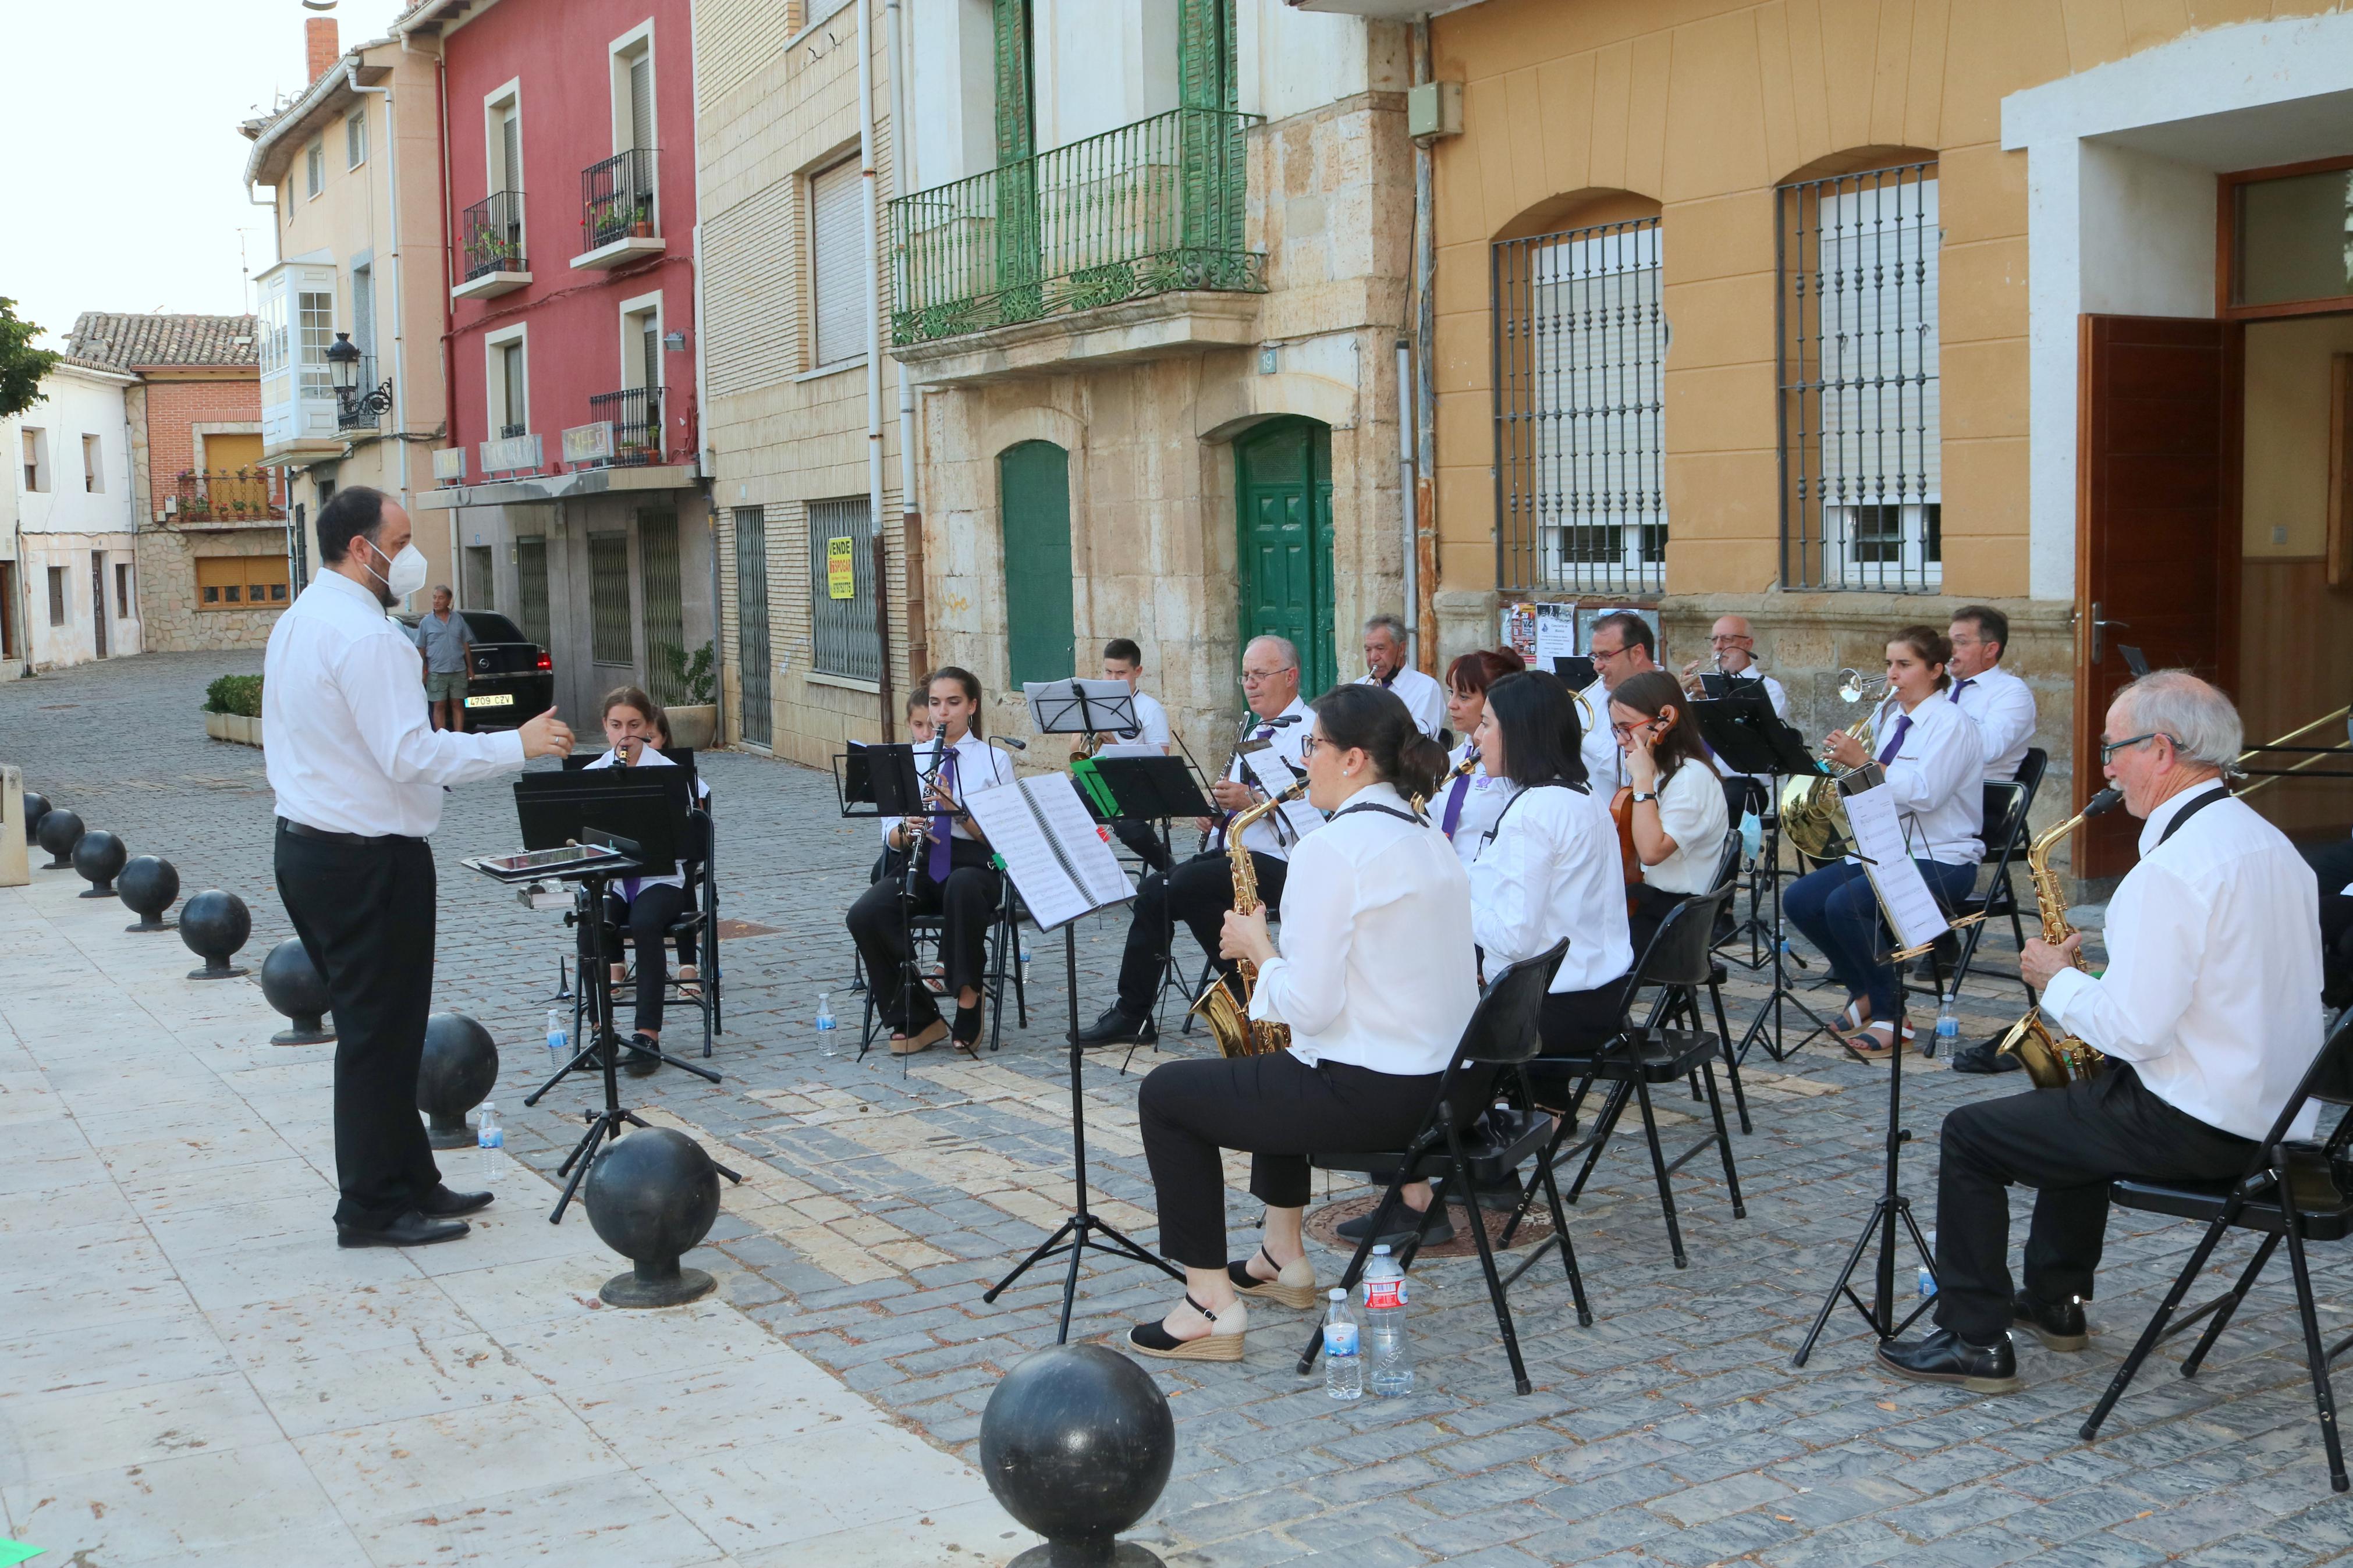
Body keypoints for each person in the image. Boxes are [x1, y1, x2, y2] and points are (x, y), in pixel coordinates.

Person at [1877, 671, 2326, 1393]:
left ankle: (1972, 1338)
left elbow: (2133, 1031)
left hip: (2203, 1123)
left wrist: (2053, 978)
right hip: (2276, 1116)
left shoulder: (2171, 868)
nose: (2107, 769)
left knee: (1970, 1134)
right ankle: (2055, 1301)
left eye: (2113, 750)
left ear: (2160, 749)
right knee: (2081, 1096)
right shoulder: (2270, 844)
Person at [1123, 685, 1472, 1361]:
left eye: (1312, 746)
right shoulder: (1426, 835)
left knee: (1164, 1095)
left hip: (1375, 1096)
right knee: (1272, 1060)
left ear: (1352, 759)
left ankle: (1205, 1304)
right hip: (1442, 1088)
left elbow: (1308, 1007)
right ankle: (1281, 1257)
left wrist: (1259, 948)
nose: (1302, 760)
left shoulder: (1332, 849)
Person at [265, 486, 573, 1249]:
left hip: (309, 847)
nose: (411, 553)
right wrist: (516, 742)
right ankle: (369, 1206)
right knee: (377, 1034)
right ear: (362, 549)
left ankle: (411, 1177)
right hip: (365, 860)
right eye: (400, 540)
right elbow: (410, 753)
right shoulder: (367, 638)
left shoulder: (302, 618)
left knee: (389, 1029)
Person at [1360, 669, 1638, 1247]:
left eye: (1485, 724)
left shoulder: (1535, 813)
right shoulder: (1576, 797)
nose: (1476, 737)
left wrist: (1447, 891)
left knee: (1389, 1031)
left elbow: (1512, 934)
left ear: (1520, 733)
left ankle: (1414, 1201)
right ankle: (1484, 1174)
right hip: (1594, 995)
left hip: (1551, 1008)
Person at [1077, 636, 1314, 1048]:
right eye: (1246, 675)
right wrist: (1219, 811)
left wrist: (1252, 801)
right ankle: (1233, 995)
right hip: (1237, 854)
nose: (1250, 684)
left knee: (1171, 887)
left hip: (1286, 861)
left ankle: (1152, 1009)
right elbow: (1244, 798)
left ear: (1290, 677)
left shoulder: (1311, 732)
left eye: (1260, 675)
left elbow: (1316, 814)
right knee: (1161, 889)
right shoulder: (1255, 728)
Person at [1782, 625, 1985, 1058]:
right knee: (1799, 899)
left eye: (1904, 665)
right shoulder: (1890, 717)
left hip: (1943, 857)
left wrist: (1865, 763)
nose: (1891, 674)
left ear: (1935, 670)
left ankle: (1894, 1016)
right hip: (1884, 850)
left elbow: (1927, 792)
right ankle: (1865, 992)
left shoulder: (1951, 724)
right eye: (1889, 664)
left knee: (1844, 905)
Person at [846, 667, 1015, 1055]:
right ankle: (917, 1014)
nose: (943, 712)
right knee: (865, 913)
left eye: (953, 702)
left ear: (971, 706)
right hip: (920, 861)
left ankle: (968, 997)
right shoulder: (908, 757)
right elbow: (889, 835)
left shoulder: (994, 760)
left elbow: (1003, 841)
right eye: (936, 703)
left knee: (963, 887)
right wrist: (907, 826)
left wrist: (956, 810)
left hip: (977, 865)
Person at [579, 687, 711, 1076]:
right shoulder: (592, 776)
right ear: (605, 727)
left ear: (649, 726)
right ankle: (601, 1030)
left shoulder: (671, 774)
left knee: (645, 923)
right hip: (615, 882)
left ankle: (646, 1035)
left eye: (635, 725)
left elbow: (694, 842)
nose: (626, 735)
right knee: (590, 924)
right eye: (616, 725)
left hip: (661, 880)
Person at [1610, 670, 1731, 957]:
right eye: (1616, 729)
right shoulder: (1661, 772)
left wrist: (1641, 783)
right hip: (1651, 904)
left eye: (1627, 727)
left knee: (1577, 950)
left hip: (1673, 919)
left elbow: (1652, 852)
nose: (1620, 740)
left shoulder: (1691, 779)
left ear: (1661, 723)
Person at [1680, 613, 1788, 823]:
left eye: (1727, 639)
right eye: (1714, 640)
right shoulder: (1700, 686)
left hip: (1742, 783)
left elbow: (1756, 735)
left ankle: (1722, 857)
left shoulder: (1768, 688)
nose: (1718, 646)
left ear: (1748, 644)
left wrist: (1718, 698)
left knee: (1722, 810)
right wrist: (1681, 697)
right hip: (1697, 780)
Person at [1083, 638, 1176, 874]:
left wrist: (1114, 743)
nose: (1113, 680)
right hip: (1095, 780)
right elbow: (1076, 751)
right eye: (1108, 672)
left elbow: (1160, 759)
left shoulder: (1149, 708)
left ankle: (1166, 866)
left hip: (1132, 786)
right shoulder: (1092, 704)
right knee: (1055, 805)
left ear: (1138, 672)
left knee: (1126, 825)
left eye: (1121, 673)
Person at [1435, 648, 1526, 871]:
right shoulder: (1452, 759)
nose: (1451, 704)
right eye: (1451, 693)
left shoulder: (1511, 767)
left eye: (1464, 697)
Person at [1946, 605, 2036, 783]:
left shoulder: (2012, 692)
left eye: (1961, 642)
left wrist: (1932, 707)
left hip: (1979, 798)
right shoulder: (1938, 683)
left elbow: (1989, 749)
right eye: (1949, 642)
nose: (1951, 650)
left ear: (1990, 650)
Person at [1582, 611, 1659, 794]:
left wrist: (1582, 738)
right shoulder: (1593, 692)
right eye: (1595, 656)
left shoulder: (1665, 700)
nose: (1596, 666)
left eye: (1606, 656)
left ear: (1637, 653)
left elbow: (1640, 774)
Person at [870, 692, 935, 886]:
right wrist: (906, 831)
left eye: (932, 725)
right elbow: (890, 833)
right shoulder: (897, 762)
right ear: (908, 723)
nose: (926, 733)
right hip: (908, 848)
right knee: (879, 873)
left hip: (945, 850)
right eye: (918, 725)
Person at [1357, 613, 1447, 739]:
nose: (1373, 657)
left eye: (1380, 649)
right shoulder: (1359, 686)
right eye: (1368, 650)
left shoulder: (1426, 688)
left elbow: (1420, 738)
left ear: (1401, 649)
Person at [413, 585, 473, 733]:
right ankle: (442, 738)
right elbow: (421, 648)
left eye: (440, 598)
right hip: (436, 672)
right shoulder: (426, 623)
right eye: (434, 598)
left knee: (457, 704)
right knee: (439, 705)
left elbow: (465, 644)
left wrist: (470, 668)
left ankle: (458, 737)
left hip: (458, 669)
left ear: (449, 600)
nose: (436, 601)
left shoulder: (458, 620)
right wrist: (423, 672)